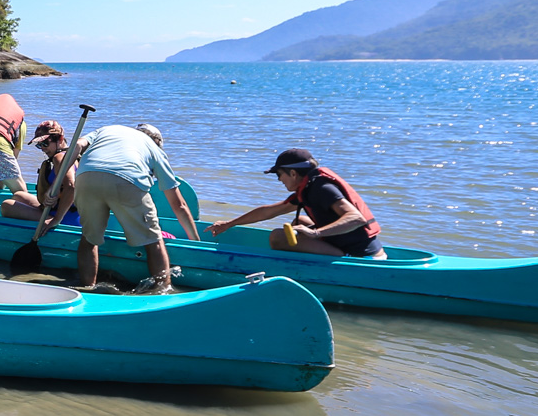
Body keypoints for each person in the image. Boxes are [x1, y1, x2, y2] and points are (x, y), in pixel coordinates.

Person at [36, 122, 199, 292]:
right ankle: (162, 290)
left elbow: (76, 145)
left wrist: (56, 183)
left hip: (86, 177)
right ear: (158, 143)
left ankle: (87, 287)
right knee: (154, 241)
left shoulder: (108, 130)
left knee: (89, 239)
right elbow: (179, 204)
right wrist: (195, 242)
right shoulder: (154, 149)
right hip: (126, 180)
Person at [210, 148, 387, 258]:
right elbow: (269, 211)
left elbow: (356, 218)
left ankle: (343, 261)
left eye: (279, 174)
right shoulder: (308, 188)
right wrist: (229, 224)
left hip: (361, 256)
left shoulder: (322, 188)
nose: (279, 180)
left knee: (278, 238)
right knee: (299, 222)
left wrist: (317, 233)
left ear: (293, 173)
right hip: (354, 245)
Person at [1, 118, 80, 224]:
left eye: (45, 143)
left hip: (64, 217)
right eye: (39, 145)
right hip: (64, 212)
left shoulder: (59, 158)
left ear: (60, 139)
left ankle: (48, 221)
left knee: (7, 206)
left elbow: (71, 186)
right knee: (19, 195)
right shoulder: (70, 156)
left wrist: (56, 219)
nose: (42, 148)